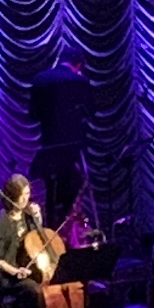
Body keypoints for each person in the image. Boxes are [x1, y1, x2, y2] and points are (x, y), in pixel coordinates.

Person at [29, 46, 91, 222]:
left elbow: (32, 115)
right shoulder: (79, 81)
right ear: (78, 64)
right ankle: (68, 228)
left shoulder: (39, 80)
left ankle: (52, 230)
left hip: (48, 146)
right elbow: (90, 112)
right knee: (74, 185)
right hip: (72, 148)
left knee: (51, 190)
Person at [0, 174, 51, 308]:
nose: (26, 199)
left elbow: (40, 240)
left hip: (29, 269)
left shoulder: (27, 215)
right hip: (9, 276)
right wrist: (16, 271)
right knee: (34, 290)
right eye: (22, 195)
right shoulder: (2, 220)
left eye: (28, 194)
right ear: (12, 195)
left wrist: (38, 218)